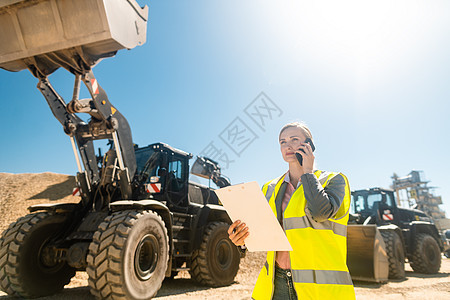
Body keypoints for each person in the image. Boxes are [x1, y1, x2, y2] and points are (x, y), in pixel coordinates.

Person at [228, 122, 355, 300]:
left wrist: (307, 172)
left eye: (294, 139)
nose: (288, 145)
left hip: (320, 289)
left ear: (309, 145)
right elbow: (261, 231)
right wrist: (241, 238)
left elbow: (320, 213)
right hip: (276, 282)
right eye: (282, 142)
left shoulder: (334, 180)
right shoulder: (270, 188)